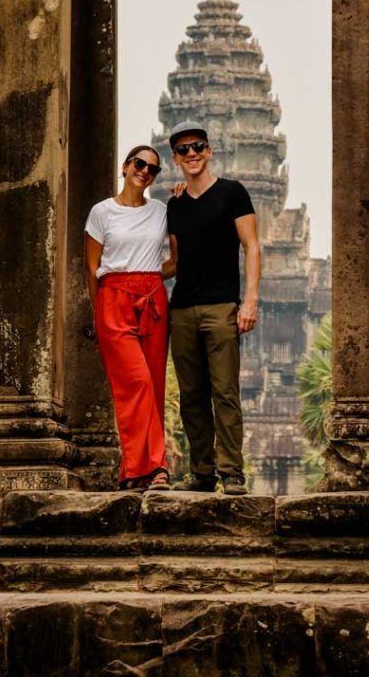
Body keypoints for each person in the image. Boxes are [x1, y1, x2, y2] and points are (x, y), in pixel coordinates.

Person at [167, 120, 261, 495]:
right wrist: (123, 275)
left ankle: (231, 472)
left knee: (224, 391)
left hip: (222, 307)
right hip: (182, 308)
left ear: (209, 151)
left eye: (197, 147)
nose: (191, 154)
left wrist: (249, 301)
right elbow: (175, 262)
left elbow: (251, 246)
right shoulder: (174, 205)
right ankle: (202, 473)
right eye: (183, 150)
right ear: (175, 159)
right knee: (191, 396)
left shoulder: (232, 193)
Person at [85, 145, 176, 491]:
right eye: (139, 164)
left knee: (152, 384)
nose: (145, 171)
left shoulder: (162, 211)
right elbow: (91, 268)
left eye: (153, 169)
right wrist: (98, 313)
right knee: (134, 383)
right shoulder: (102, 212)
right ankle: (156, 467)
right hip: (113, 298)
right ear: (125, 166)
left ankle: (134, 471)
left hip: (152, 299)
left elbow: (175, 262)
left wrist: (146, 276)